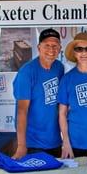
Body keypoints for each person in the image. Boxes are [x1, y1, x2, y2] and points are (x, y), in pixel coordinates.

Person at [12, 28, 64, 159]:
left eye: (55, 46)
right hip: (33, 144)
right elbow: (22, 111)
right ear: (39, 47)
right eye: (47, 45)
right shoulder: (27, 72)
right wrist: (21, 145)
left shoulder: (59, 67)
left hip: (55, 141)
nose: (51, 50)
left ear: (60, 48)